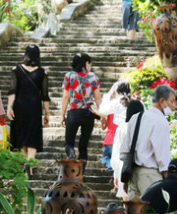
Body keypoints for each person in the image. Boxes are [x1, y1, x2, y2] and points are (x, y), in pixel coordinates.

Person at [119, 84, 176, 198]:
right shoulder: (160, 121)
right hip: (150, 176)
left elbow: (124, 152)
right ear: (162, 101)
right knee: (153, 213)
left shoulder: (136, 117)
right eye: (171, 101)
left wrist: (126, 180)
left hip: (132, 175)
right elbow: (162, 157)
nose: (174, 106)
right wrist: (167, 179)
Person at [6, 44, 50, 175]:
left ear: (26, 54)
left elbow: (12, 90)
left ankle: (26, 166)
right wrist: (47, 113)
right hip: (34, 107)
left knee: (22, 137)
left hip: (20, 106)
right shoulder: (42, 72)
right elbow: (45, 96)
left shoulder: (16, 70)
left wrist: (9, 107)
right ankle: (29, 168)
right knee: (33, 138)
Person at [60, 53, 104, 163]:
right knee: (83, 146)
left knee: (69, 143)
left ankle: (71, 156)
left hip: (73, 112)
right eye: (89, 63)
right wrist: (103, 115)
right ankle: (81, 173)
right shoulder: (93, 77)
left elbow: (65, 96)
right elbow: (98, 98)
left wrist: (62, 115)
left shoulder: (69, 76)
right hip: (88, 113)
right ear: (86, 63)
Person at [111, 99, 144, 200]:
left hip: (124, 168)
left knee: (127, 203)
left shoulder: (122, 127)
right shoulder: (144, 127)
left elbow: (116, 152)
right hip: (141, 167)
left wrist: (116, 173)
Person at [96, 80, 131, 172]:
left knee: (109, 160)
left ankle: (118, 174)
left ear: (116, 90)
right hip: (131, 134)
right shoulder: (134, 101)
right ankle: (119, 176)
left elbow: (102, 110)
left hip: (117, 134)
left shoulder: (117, 102)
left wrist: (109, 95)